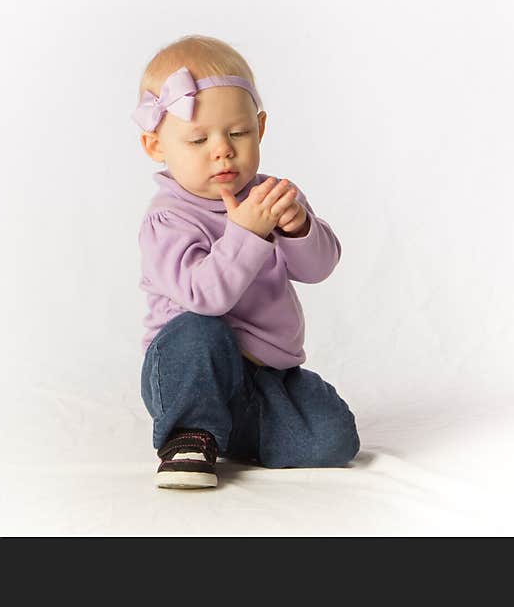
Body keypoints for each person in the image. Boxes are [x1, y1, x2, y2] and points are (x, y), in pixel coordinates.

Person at [133, 34, 360, 489]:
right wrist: (248, 232)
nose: (222, 149)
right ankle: (190, 433)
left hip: (266, 375)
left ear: (260, 127)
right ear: (156, 146)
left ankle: (236, 432)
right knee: (200, 329)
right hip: (190, 370)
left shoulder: (267, 194)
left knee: (334, 439)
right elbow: (204, 295)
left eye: (238, 133)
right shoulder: (167, 219)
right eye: (198, 139)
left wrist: (296, 227)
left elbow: (319, 268)